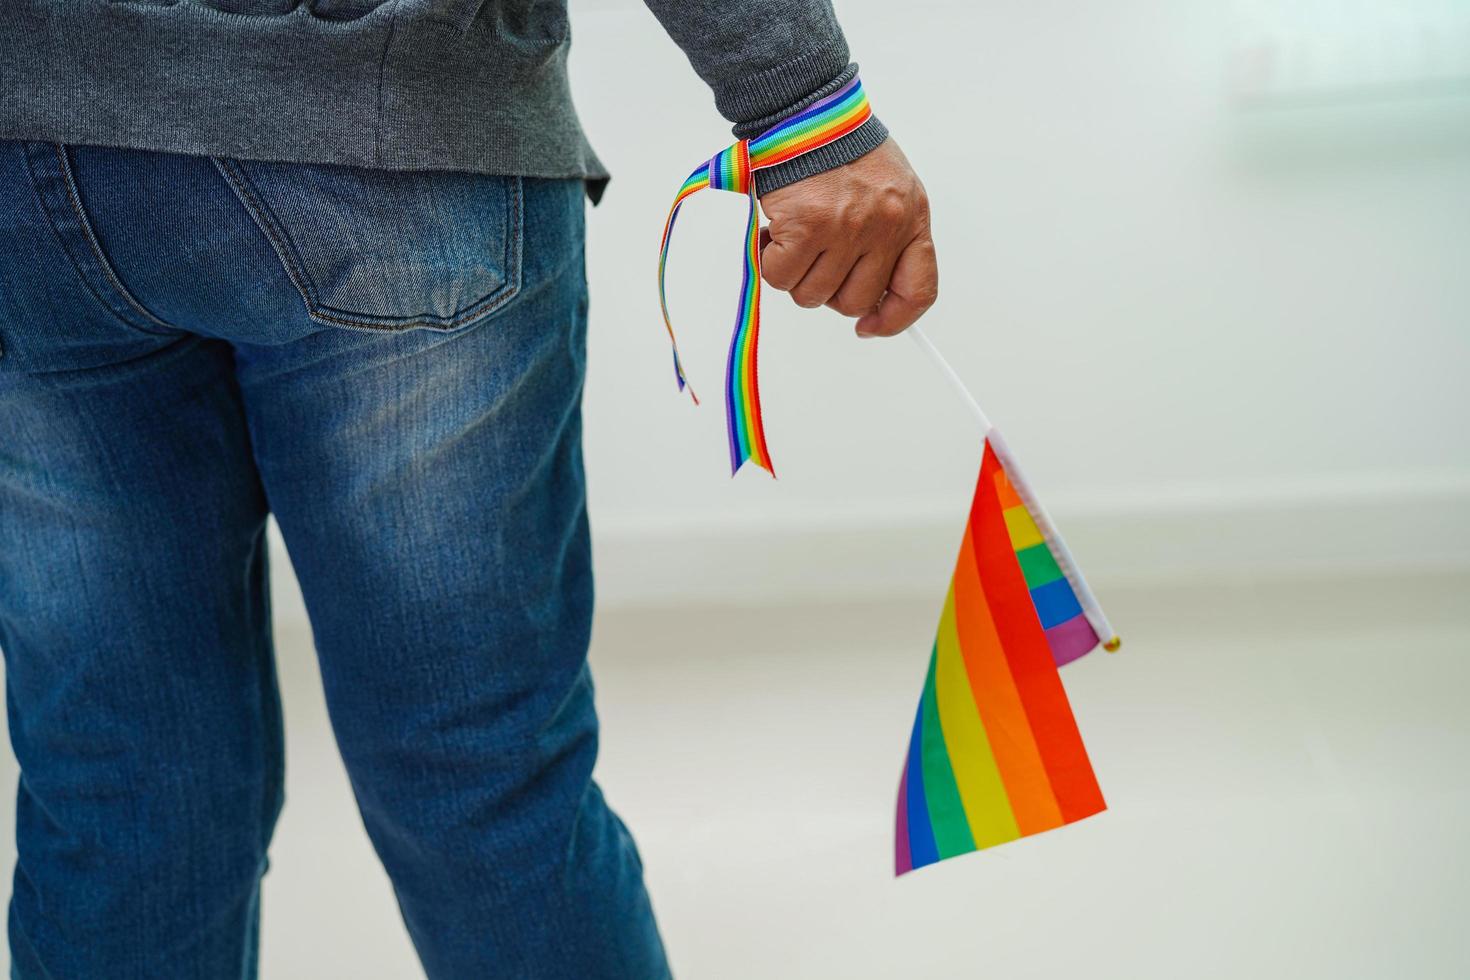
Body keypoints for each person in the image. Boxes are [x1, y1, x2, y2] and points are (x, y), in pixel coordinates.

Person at [0, 1, 937, 976]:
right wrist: (803, 103)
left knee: (122, 790)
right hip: (383, 114)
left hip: (26, 154)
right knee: (477, 779)